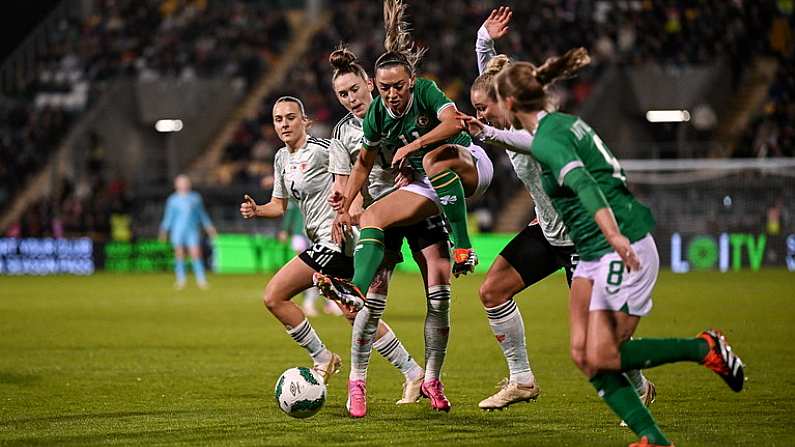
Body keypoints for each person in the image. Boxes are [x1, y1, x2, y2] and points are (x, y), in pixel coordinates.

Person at [492, 50, 746, 447]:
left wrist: (612, 237)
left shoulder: (548, 142)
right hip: (593, 250)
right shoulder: (560, 125)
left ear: (508, 103)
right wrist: (485, 130)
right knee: (583, 354)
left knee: (606, 354)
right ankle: (652, 438)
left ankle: (704, 347)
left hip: (620, 242)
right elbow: (521, 142)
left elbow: (586, 186)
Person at [459, 7, 655, 415]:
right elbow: (488, 82)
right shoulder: (503, 108)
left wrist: (488, 133)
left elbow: (526, 143)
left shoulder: (534, 127)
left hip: (584, 237)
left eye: (483, 108)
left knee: (604, 334)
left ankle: (640, 387)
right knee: (492, 290)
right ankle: (521, 379)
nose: (479, 115)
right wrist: (483, 39)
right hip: (549, 232)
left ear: (505, 102)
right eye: (476, 110)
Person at [239, 96, 424, 396]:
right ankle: (413, 372)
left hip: (337, 242)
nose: (284, 124)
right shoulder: (280, 159)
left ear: (305, 121)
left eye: (290, 117)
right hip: (321, 242)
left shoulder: (327, 149)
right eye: (278, 119)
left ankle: (323, 358)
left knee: (274, 296)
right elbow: (278, 205)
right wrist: (257, 210)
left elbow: (349, 187)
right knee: (356, 315)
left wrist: (349, 213)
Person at [326, 45, 454, 416]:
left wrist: (416, 164)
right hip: (379, 213)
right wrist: (348, 208)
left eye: (354, 90)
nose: (350, 99)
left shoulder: (403, 105)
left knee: (441, 292)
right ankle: (357, 382)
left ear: (371, 83)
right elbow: (349, 178)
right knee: (372, 301)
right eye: (342, 95)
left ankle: (431, 377)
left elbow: (439, 141)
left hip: (418, 202)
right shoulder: (343, 132)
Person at [278, 201, 342, 317]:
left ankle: (327, 303)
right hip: (300, 235)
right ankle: (312, 303)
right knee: (311, 270)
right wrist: (285, 229)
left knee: (320, 270)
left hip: (317, 235)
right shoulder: (297, 194)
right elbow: (289, 212)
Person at [159, 174, 216, 289]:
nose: (183, 185)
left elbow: (202, 214)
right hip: (178, 230)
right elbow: (168, 217)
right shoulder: (172, 200)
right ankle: (181, 279)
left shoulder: (195, 198)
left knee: (195, 253)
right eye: (181, 183)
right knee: (179, 254)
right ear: (176, 185)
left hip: (192, 230)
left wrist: (209, 226)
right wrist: (164, 230)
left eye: (185, 182)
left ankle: (201, 279)